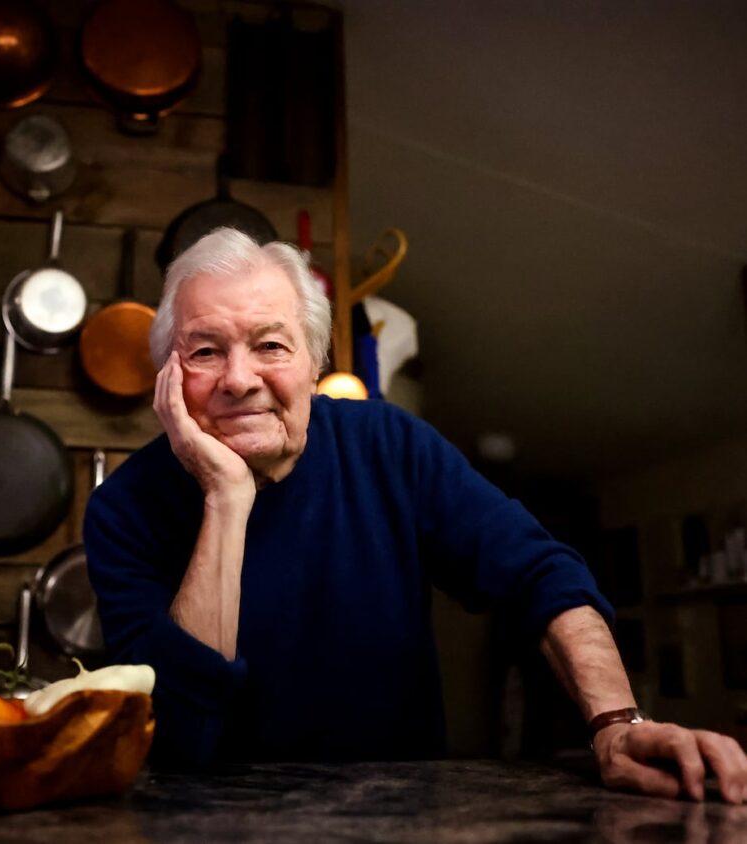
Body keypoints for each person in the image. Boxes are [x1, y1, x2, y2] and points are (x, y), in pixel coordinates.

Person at [83, 227, 747, 802]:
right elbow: (181, 733)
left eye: (271, 346)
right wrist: (226, 499)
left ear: (316, 361)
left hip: (400, 811)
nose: (237, 378)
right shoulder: (123, 508)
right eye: (205, 351)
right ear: (170, 376)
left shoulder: (389, 445)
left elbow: (540, 574)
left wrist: (617, 724)